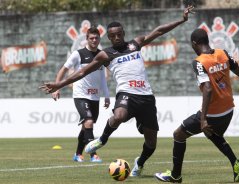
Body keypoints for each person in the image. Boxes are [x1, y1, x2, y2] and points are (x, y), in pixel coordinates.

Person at [40, 5, 195, 176]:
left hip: (146, 97)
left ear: (123, 33)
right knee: (119, 115)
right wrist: (59, 84)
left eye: (119, 34)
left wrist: (182, 19)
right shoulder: (105, 54)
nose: (116, 37)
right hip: (126, 94)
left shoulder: (135, 44)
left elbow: (158, 31)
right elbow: (83, 71)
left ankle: (140, 163)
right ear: (109, 37)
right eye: (112, 35)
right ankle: (102, 139)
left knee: (151, 143)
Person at [155, 28, 239, 183]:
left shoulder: (199, 62)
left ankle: (175, 175)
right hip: (228, 110)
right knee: (212, 134)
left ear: (194, 44)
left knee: (178, 134)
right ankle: (235, 163)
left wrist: (203, 120)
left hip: (213, 114)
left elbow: (208, 89)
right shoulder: (223, 53)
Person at [51, 26, 110, 163]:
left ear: (99, 38)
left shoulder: (102, 55)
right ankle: (93, 154)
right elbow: (63, 69)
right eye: (91, 38)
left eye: (96, 38)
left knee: (86, 126)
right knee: (88, 121)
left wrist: (106, 96)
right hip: (80, 95)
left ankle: (78, 154)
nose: (94, 40)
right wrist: (56, 87)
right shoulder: (78, 54)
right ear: (87, 39)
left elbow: (102, 77)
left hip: (95, 97)